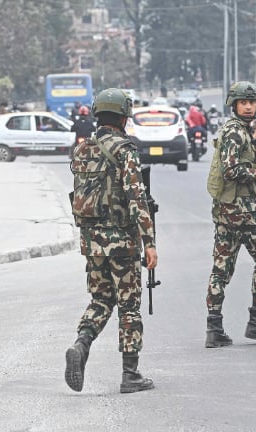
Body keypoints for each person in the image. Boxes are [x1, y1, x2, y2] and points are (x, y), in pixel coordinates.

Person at [65, 88, 158, 394]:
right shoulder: (124, 150)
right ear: (123, 116)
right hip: (122, 242)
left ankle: (81, 344)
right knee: (128, 305)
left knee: (101, 299)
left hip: (91, 241)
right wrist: (149, 242)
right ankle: (130, 374)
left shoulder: (82, 150)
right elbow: (136, 197)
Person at [205, 80, 256, 348]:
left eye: (252, 102)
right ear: (234, 104)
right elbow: (231, 170)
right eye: (243, 102)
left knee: (221, 268)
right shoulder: (236, 132)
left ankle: (214, 329)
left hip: (229, 210)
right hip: (242, 212)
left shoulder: (242, 130)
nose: (249, 106)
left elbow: (247, 177)